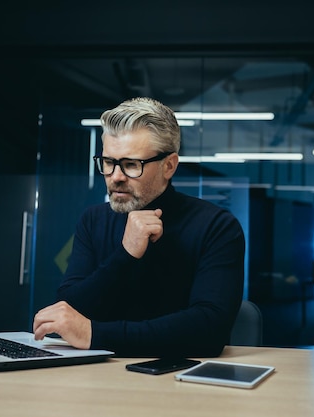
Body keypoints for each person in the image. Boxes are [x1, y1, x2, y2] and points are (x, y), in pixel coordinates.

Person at [33, 97, 245, 357]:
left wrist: (95, 335)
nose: (116, 176)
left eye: (131, 164)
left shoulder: (217, 226)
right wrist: (126, 254)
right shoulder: (93, 219)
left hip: (181, 383)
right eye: (108, 162)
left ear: (169, 166)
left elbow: (210, 331)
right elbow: (70, 310)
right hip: (97, 378)